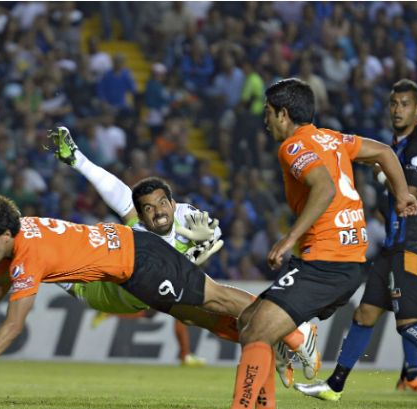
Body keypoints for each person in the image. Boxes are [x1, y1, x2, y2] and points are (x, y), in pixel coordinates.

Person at [0, 194, 306, 409]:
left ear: (6, 233)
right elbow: (1, 278)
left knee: (218, 299)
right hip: (133, 263)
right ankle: (266, 406)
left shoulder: (29, 254)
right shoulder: (20, 230)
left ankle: (293, 330)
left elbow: (14, 325)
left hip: (140, 261)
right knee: (205, 318)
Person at [186, 78, 417, 409]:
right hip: (343, 261)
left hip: (327, 263)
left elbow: (324, 188)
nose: (265, 120)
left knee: (257, 329)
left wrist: (288, 237)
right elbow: (386, 154)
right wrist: (402, 193)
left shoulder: (294, 146)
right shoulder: (333, 138)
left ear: (284, 113)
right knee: (251, 321)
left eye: (267, 113)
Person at [47, 126, 320, 383]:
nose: (158, 211)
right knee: (201, 310)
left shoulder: (185, 216)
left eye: (163, 203)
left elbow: (213, 238)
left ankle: (293, 333)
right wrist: (77, 160)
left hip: (146, 289)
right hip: (103, 290)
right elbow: (115, 190)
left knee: (208, 306)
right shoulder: (138, 228)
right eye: (149, 209)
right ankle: (279, 337)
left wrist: (207, 242)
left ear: (173, 203)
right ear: (140, 215)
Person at [295, 79, 417, 401]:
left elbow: (409, 196)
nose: (398, 110)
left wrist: (380, 172)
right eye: (394, 103)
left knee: (410, 323)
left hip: (413, 245)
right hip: (393, 246)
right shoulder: (398, 144)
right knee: (365, 315)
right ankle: (334, 386)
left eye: (405, 104)